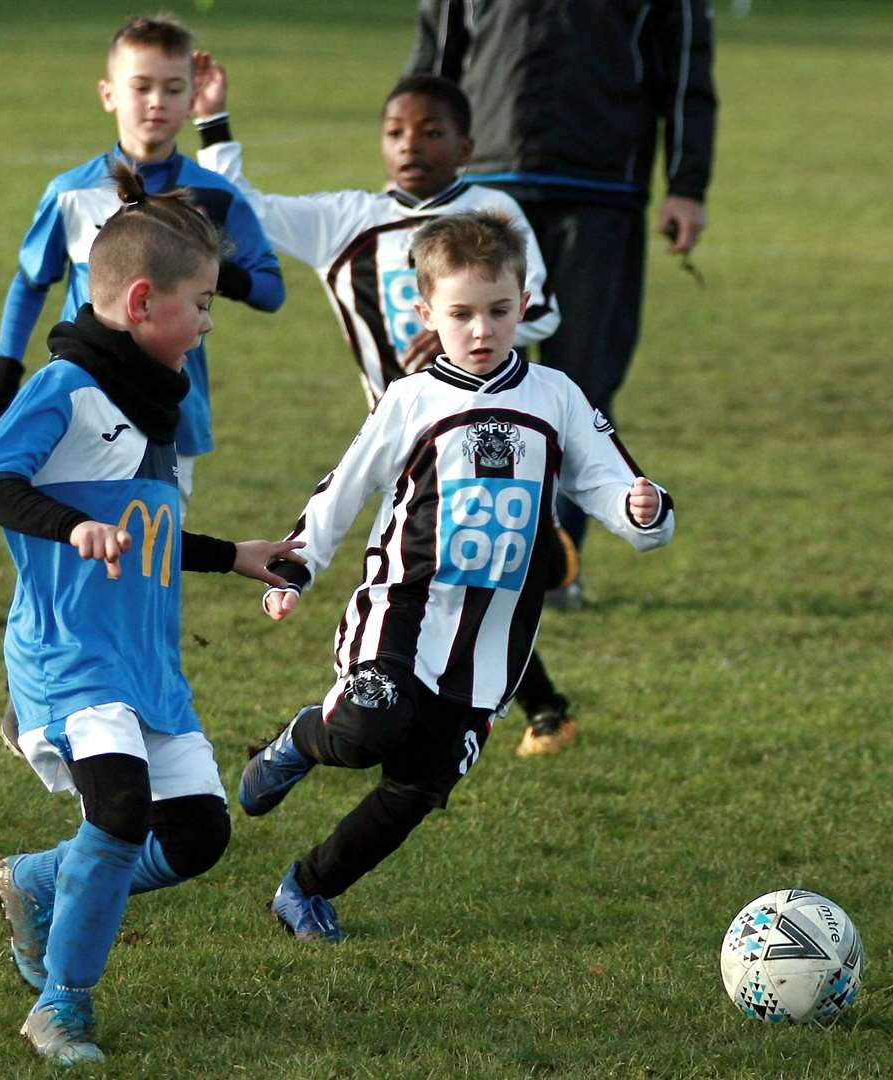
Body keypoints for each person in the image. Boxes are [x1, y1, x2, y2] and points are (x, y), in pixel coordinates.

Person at [239, 211, 675, 942]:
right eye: (462, 314)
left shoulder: (556, 396)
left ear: (524, 300)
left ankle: (306, 888)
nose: (482, 330)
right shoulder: (412, 400)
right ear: (425, 311)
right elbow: (344, 486)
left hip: (493, 639)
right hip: (403, 610)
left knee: (419, 785)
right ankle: (298, 743)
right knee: (366, 729)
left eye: (499, 311)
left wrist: (643, 509)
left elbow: (614, 486)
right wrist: (298, 565)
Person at [0, 162, 303, 1065]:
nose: (207, 323)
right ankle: (61, 1008)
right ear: (143, 302)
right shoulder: (65, 387)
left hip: (146, 659)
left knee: (197, 837)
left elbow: (147, 528)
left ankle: (39, 881)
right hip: (70, 654)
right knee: (117, 812)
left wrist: (235, 556)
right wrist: (70, 529)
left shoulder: (150, 401)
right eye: (199, 305)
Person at [190, 60, 577, 756]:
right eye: (396, 131)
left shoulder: (493, 214)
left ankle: (485, 707)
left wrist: (474, 331)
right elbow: (245, 209)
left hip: (487, 434)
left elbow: (542, 309)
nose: (411, 144)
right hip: (398, 436)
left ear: (465, 146)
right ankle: (520, 702)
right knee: (433, 574)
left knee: (445, 573)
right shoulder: (349, 221)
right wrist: (213, 122)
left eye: (432, 132)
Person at [0, 13, 284, 761]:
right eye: (141, 86)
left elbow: (268, 292)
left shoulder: (213, 194)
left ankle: (130, 701)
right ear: (110, 93)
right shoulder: (73, 192)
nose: (157, 103)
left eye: (174, 88)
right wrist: (3, 373)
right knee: (70, 545)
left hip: (173, 416)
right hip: (80, 412)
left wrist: (198, 264)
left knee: (147, 556)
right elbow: (31, 281)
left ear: (192, 95)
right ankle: (47, 695)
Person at [406, 0, 715, 608]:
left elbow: (683, 69)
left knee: (582, 386)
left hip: (601, 188)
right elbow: (435, 63)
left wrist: (686, 182)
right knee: (460, 381)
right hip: (488, 179)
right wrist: (419, 162)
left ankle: (556, 565)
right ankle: (452, 555)